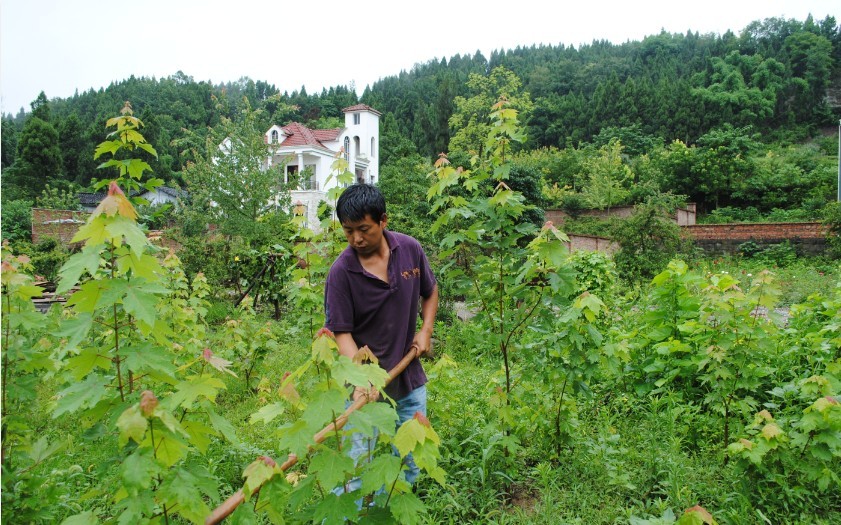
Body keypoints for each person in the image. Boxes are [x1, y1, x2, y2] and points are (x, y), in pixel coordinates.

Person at [324, 183, 438, 488]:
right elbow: (341, 333)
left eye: (364, 229)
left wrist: (425, 330)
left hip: (408, 378)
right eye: (348, 231)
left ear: (383, 220)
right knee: (357, 466)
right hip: (365, 387)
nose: (356, 239)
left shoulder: (410, 250)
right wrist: (362, 379)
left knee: (411, 458)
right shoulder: (341, 273)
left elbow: (430, 291)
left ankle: (399, 508)